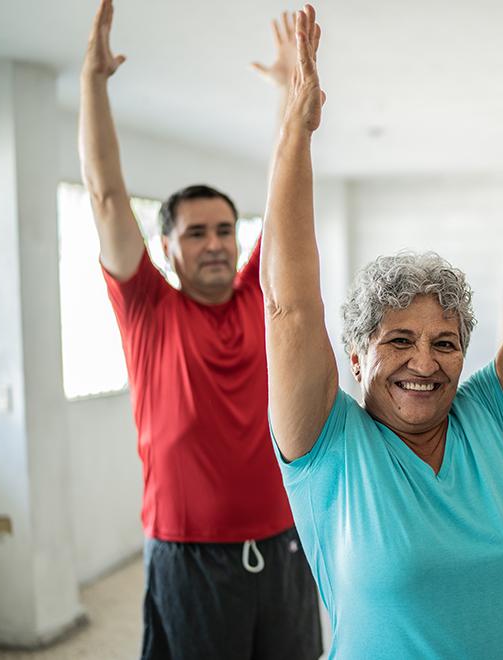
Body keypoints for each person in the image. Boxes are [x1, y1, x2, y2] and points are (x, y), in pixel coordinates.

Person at [261, 5, 503, 657]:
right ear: (357, 358)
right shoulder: (328, 445)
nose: (425, 360)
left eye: (444, 342)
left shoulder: (488, 417)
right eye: (399, 340)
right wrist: (295, 130)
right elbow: (289, 307)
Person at [78, 2, 321, 657]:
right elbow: (104, 195)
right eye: (196, 232)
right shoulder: (147, 308)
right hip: (185, 555)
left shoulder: (257, 293)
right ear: (166, 246)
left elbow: (284, 191)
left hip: (285, 542)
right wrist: (93, 86)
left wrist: (287, 101)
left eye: (224, 230)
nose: (215, 244)